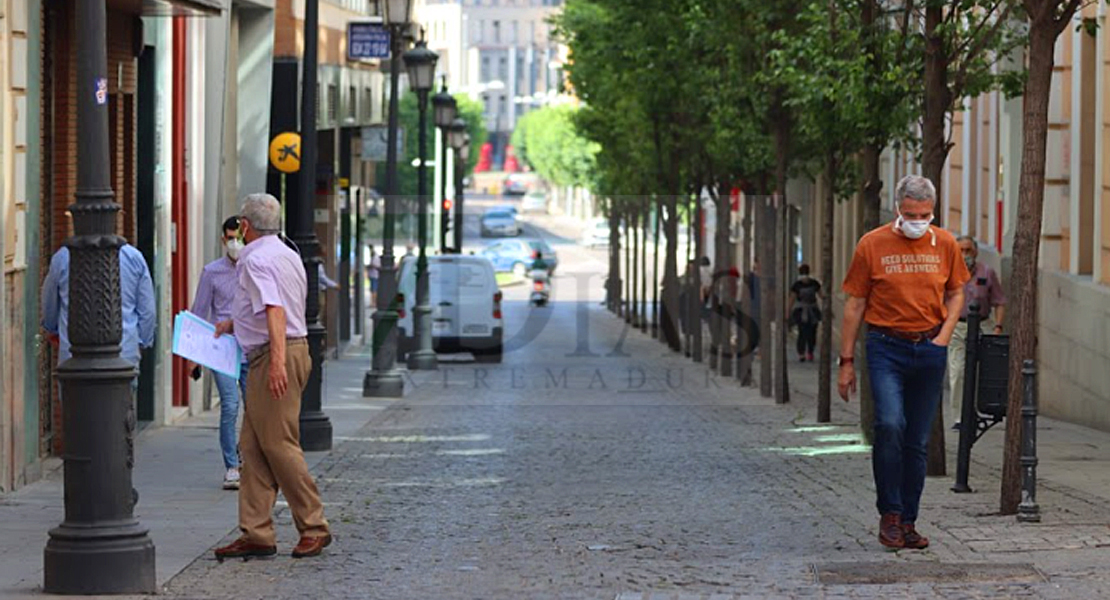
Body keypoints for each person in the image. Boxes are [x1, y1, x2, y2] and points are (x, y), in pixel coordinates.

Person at [838, 174, 969, 550]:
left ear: (933, 211)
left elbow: (957, 292)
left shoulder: (944, 243)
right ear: (898, 208)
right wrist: (846, 361)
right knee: (890, 424)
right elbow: (855, 303)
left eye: (925, 214)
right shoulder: (872, 244)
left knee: (917, 441)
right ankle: (889, 513)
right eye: (911, 213)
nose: (917, 220)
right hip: (885, 346)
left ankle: (908, 520)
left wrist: (943, 336)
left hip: (928, 347)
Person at [213, 193, 331, 561]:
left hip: (272, 356)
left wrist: (277, 363)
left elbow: (275, 311)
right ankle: (256, 532)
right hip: (288, 349)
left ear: (245, 227)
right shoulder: (286, 253)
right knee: (251, 447)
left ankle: (314, 525)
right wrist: (236, 322)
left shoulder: (254, 259)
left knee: (279, 444)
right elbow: (279, 305)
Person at [42, 241, 155, 390]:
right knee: (121, 410)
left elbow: (49, 304)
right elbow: (148, 312)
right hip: (124, 356)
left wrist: (54, 329)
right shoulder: (133, 258)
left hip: (72, 357)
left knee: (75, 410)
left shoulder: (62, 258)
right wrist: (140, 343)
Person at [189, 216, 250, 490]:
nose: (234, 243)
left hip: (252, 346)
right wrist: (193, 356)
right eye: (230, 238)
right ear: (223, 240)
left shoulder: (255, 269)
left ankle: (248, 456)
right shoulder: (212, 272)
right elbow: (199, 312)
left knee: (255, 408)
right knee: (230, 405)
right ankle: (232, 466)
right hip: (222, 348)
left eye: (238, 237)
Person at [949, 235, 1006, 429]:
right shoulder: (948, 273)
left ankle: (977, 410)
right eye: (961, 251)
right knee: (958, 371)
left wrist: (998, 327)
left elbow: (999, 302)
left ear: (976, 252)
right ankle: (959, 417)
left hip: (983, 325)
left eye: (968, 250)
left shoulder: (987, 273)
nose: (965, 255)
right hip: (958, 326)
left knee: (982, 372)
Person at [789, 264, 822, 362]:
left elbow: (792, 299)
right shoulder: (814, 283)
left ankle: (802, 353)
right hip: (812, 310)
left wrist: (788, 311)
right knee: (810, 333)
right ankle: (809, 352)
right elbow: (822, 295)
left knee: (802, 333)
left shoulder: (797, 285)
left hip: (802, 311)